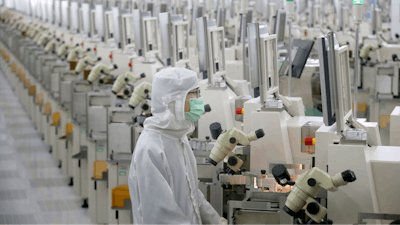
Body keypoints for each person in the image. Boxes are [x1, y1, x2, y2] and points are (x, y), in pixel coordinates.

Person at [128, 67, 227, 225]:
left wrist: (217, 221)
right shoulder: (150, 149)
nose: (199, 98)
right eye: (194, 93)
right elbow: (161, 216)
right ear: (175, 100)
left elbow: (192, 195)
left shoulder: (179, 138)